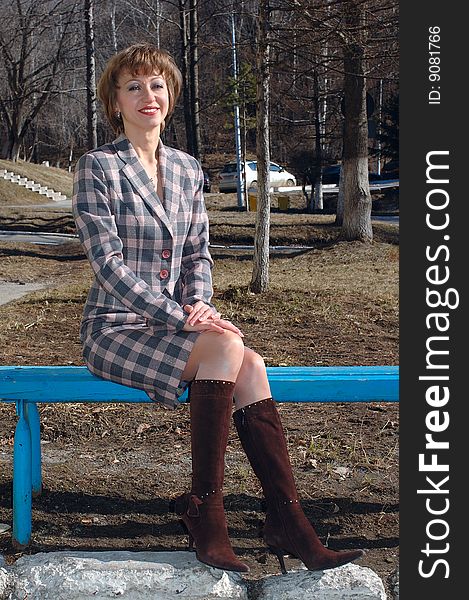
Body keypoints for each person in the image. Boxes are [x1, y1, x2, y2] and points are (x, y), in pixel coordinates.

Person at [72, 42, 364, 574]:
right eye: (133, 86)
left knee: (249, 361)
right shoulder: (98, 168)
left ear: (171, 96)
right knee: (232, 348)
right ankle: (210, 514)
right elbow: (107, 264)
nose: (148, 95)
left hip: (176, 326)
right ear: (114, 102)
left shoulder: (186, 170)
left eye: (157, 84)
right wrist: (182, 316)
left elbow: (197, 253)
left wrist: (200, 302)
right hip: (115, 328)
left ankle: (286, 518)